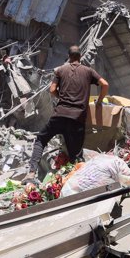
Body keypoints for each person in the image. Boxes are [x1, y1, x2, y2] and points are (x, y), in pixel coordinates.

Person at [25, 45, 109, 183]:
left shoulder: (60, 70)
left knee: (41, 140)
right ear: (80, 56)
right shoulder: (88, 71)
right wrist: (99, 102)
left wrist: (61, 98)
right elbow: (105, 84)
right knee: (75, 156)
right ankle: (76, 182)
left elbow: (52, 89)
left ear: (68, 57)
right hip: (77, 118)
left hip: (60, 115)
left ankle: (31, 173)